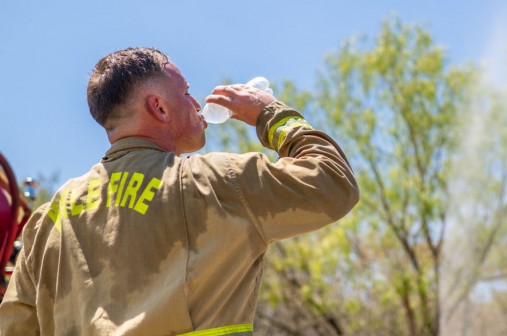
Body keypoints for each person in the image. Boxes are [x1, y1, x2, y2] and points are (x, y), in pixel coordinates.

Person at [0, 47, 359, 335]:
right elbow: (332, 183)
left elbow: (15, 325)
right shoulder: (218, 182)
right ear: (158, 107)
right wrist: (273, 115)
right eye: (186, 93)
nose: (197, 104)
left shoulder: (50, 218)